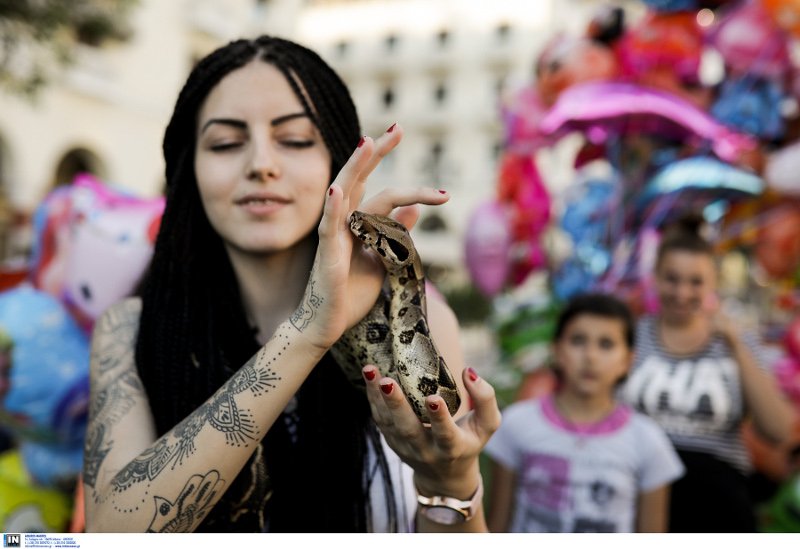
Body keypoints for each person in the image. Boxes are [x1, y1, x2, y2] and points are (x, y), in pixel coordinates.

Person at [81, 35, 500, 533]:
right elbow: (110, 532)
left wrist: (450, 486)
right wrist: (309, 330)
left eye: (296, 140)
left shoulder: (421, 326)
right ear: (187, 169)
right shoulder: (130, 331)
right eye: (225, 143)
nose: (261, 164)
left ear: (340, 162)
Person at [621, 214, 795, 533]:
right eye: (672, 279)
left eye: (695, 281)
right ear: (655, 278)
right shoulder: (630, 337)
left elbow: (779, 430)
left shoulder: (736, 341)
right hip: (634, 494)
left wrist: (736, 344)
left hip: (718, 505)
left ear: (713, 284)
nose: (682, 292)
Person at [484, 292, 684, 533]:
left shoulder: (649, 441)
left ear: (628, 360)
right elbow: (496, 526)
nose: (590, 356)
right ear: (556, 350)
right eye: (578, 340)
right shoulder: (516, 423)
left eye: (606, 344)